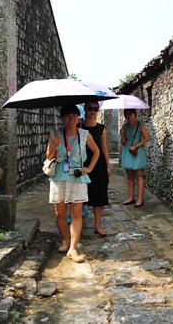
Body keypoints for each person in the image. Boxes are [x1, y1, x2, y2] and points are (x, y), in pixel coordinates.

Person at [46, 105, 100, 263]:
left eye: (74, 116)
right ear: (62, 118)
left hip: (77, 176)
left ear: (78, 118)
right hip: (59, 176)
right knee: (60, 213)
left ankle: (73, 248)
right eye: (67, 116)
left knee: (76, 213)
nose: (71, 119)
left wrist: (89, 168)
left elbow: (96, 152)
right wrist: (53, 145)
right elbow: (49, 157)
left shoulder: (84, 135)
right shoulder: (56, 135)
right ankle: (65, 240)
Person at [81, 100, 111, 236]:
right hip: (82, 163)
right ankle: (78, 225)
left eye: (95, 109)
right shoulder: (78, 126)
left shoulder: (101, 128)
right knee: (81, 196)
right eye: (90, 108)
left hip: (99, 165)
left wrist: (108, 166)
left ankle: (97, 226)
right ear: (85, 109)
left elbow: (104, 148)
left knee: (99, 196)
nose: (92, 111)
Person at [120, 109, 150, 207]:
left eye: (130, 114)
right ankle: (130, 198)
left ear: (134, 114)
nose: (128, 116)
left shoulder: (140, 125)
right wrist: (122, 135)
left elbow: (147, 138)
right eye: (126, 114)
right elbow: (123, 142)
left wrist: (136, 146)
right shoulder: (124, 127)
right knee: (129, 177)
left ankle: (140, 200)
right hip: (127, 151)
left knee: (139, 176)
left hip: (137, 151)